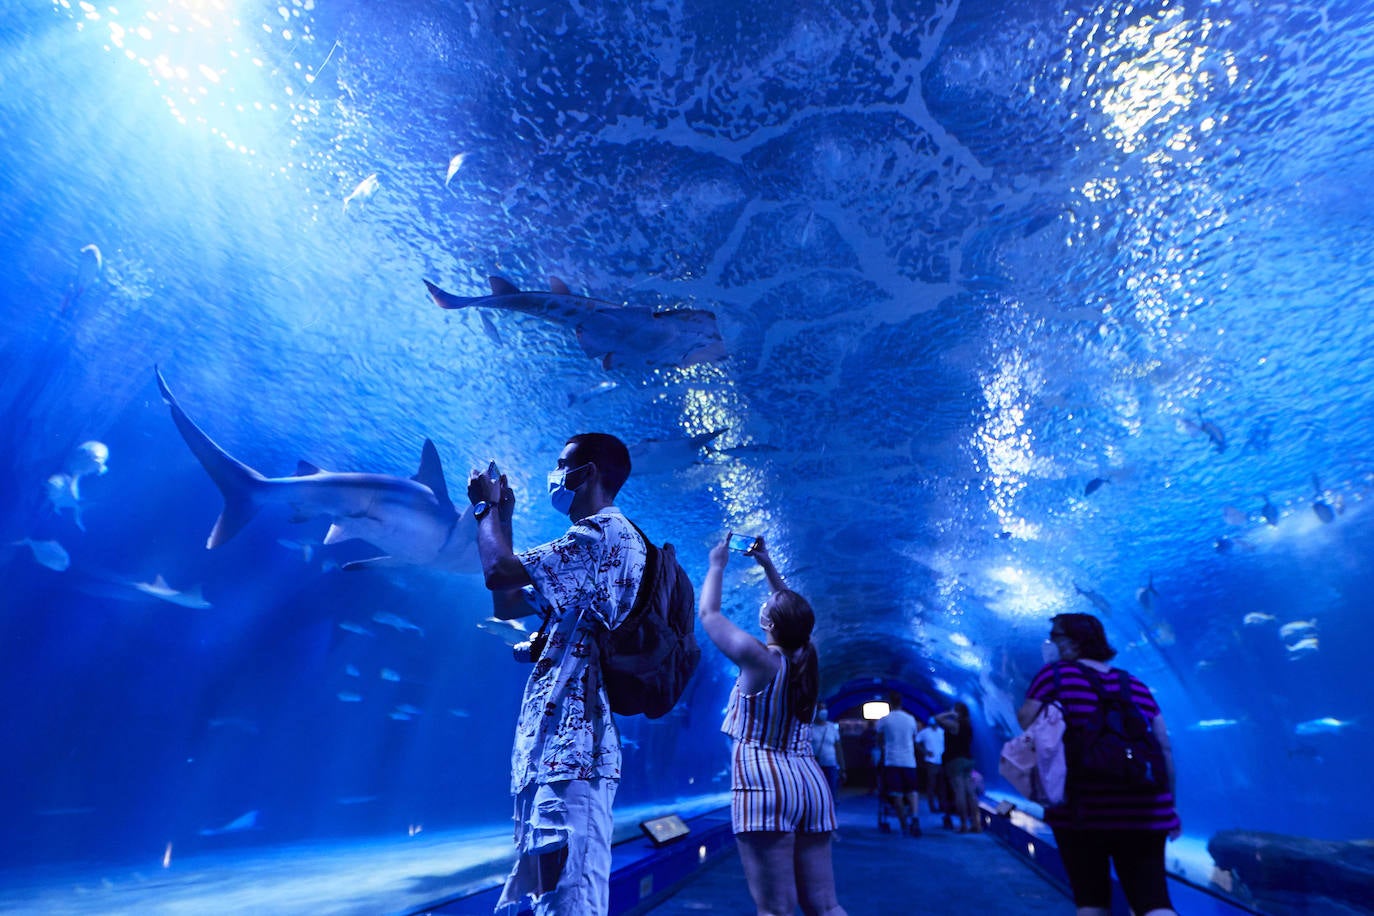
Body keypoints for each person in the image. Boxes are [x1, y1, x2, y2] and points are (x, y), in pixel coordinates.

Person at [467, 434, 647, 916]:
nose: (556, 475)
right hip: (553, 750)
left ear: (587, 472)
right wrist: (504, 516)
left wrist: (485, 510)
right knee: (547, 899)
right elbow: (507, 602)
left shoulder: (602, 534)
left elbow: (498, 571)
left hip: (577, 754)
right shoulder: (583, 553)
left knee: (574, 901)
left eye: (562, 465)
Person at [699, 534, 847, 916]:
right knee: (826, 906)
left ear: (767, 622)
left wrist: (718, 564)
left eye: (765, 607)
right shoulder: (808, 658)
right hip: (809, 781)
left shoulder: (758, 658)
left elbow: (710, 616)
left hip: (763, 780)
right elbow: (796, 615)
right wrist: (767, 566)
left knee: (776, 910)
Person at [1018, 613, 1180, 916]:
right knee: (1154, 902)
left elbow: (1026, 720)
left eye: (1055, 636)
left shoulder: (1054, 676)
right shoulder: (1135, 684)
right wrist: (1170, 807)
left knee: (1092, 900)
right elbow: (1164, 749)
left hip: (1082, 810)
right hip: (1145, 810)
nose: (1050, 642)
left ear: (1073, 642)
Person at [876, 693, 921, 836]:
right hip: (909, 761)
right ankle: (914, 817)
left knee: (897, 794)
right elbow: (914, 738)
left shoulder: (884, 720)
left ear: (889, 703)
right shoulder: (910, 719)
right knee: (912, 791)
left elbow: (879, 740)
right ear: (902, 702)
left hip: (892, 761)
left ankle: (904, 826)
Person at [935, 702, 981, 833]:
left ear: (958, 712)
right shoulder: (968, 725)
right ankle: (976, 824)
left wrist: (950, 713)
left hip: (955, 761)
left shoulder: (955, 725)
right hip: (968, 760)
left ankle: (963, 825)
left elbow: (937, 719)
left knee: (959, 793)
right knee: (971, 793)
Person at [810, 706, 845, 802]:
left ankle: (830, 812)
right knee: (816, 792)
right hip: (815, 765)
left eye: (825, 708)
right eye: (821, 708)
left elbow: (838, 748)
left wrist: (842, 767)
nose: (823, 711)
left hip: (831, 764)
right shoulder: (810, 727)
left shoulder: (831, 727)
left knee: (831, 791)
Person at [915, 715, 945, 813]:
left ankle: (942, 805)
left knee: (941, 785)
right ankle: (932, 806)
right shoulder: (925, 732)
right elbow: (916, 742)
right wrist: (924, 752)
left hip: (941, 761)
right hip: (930, 761)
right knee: (931, 784)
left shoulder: (942, 732)